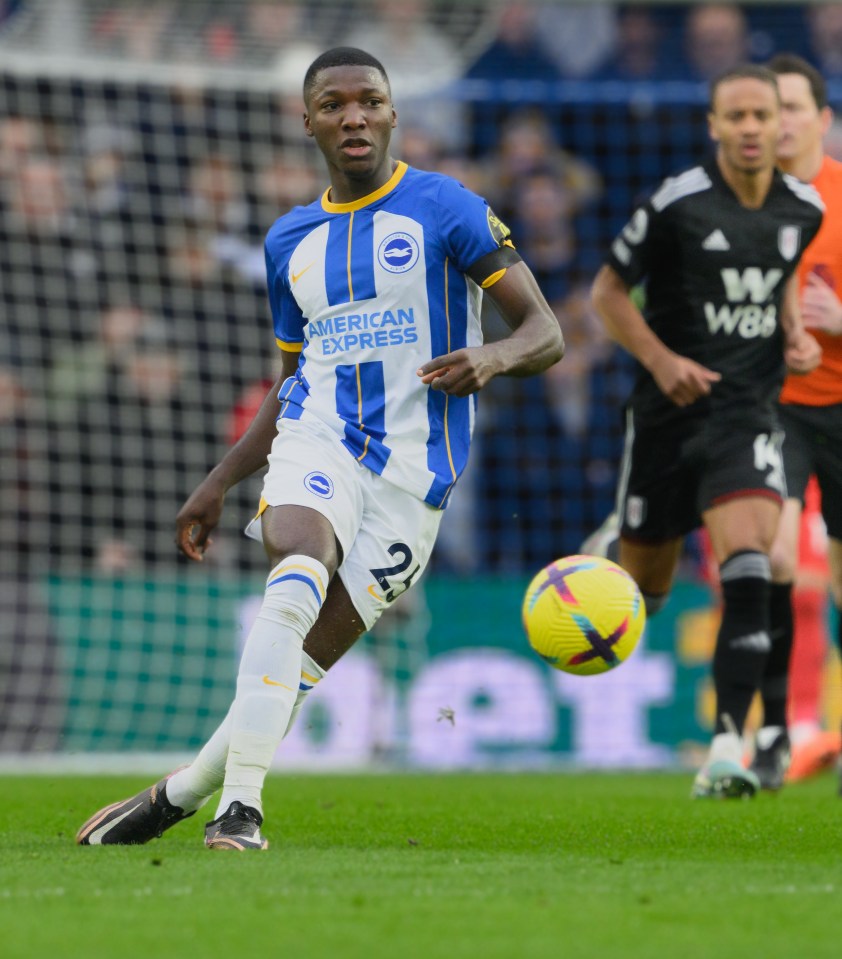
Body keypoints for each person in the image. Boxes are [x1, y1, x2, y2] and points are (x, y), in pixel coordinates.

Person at [75, 47, 563, 850]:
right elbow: (291, 382)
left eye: (368, 100)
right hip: (319, 439)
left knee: (300, 664)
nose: (354, 116)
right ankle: (243, 810)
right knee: (295, 573)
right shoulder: (289, 241)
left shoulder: (447, 209)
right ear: (308, 122)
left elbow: (545, 330)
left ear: (393, 111)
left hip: (416, 478)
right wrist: (221, 479)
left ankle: (181, 791)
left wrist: (494, 357)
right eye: (334, 104)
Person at [589, 64, 823, 799]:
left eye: (765, 115)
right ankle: (608, 551)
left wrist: (793, 334)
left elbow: (782, 268)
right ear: (715, 126)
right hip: (664, 418)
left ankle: (728, 744)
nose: (756, 128)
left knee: (750, 561)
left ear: (780, 126)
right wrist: (663, 362)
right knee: (644, 593)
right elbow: (606, 293)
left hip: (746, 412)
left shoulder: (803, 208)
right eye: (739, 116)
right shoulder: (678, 202)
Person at [750, 54, 842, 792]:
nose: (777, 122)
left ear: (823, 119)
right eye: (766, 109)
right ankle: (779, 728)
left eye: (790, 107)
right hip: (775, 407)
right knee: (775, 555)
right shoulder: (742, 203)